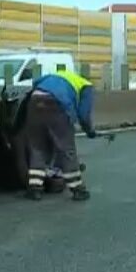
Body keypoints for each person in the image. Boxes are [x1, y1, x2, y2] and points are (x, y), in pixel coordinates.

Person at [23, 70, 97, 201]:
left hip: (34, 102)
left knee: (38, 147)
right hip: (57, 104)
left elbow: (35, 83)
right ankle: (77, 189)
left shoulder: (54, 75)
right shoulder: (86, 86)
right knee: (66, 148)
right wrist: (89, 131)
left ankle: (34, 189)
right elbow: (84, 114)